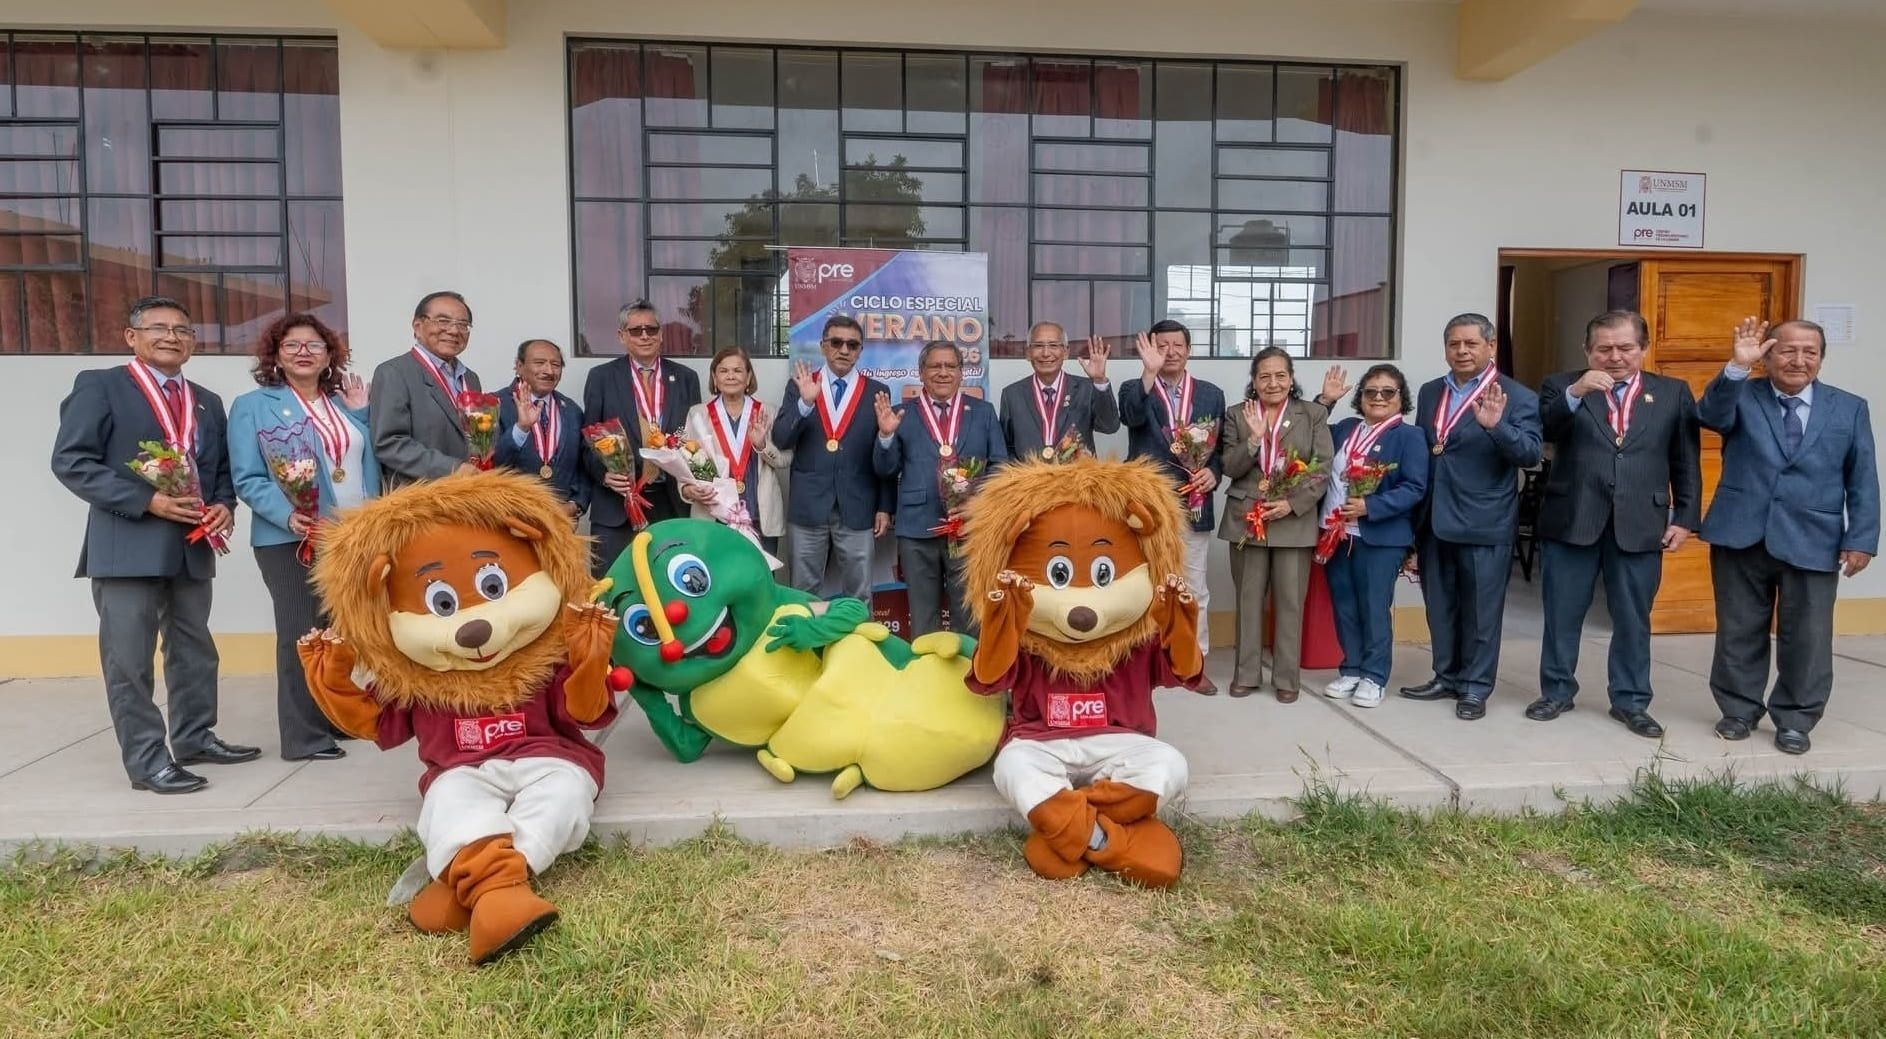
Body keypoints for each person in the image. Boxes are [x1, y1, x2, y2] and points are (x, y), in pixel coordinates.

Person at [51, 296, 255, 794]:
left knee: (194, 651)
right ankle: (147, 761)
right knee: (129, 659)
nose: (171, 336)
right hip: (127, 546)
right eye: (158, 327)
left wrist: (225, 504)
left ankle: (195, 736)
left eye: (182, 330)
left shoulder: (207, 400)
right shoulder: (101, 387)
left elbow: (220, 472)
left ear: (193, 341)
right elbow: (72, 462)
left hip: (192, 544)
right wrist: (147, 502)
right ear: (131, 336)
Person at [1697, 317, 1878, 755]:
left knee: (1809, 635)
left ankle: (1796, 719)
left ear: (1821, 358)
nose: (1798, 360)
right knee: (1739, 629)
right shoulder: (1743, 394)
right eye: (1787, 350)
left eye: (1809, 352)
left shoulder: (1849, 407)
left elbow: (1863, 476)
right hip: (1742, 533)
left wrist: (1862, 538)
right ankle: (1738, 710)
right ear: (1768, 355)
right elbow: (1709, 416)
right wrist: (1736, 367)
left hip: (1814, 537)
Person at [1531, 311, 1702, 738]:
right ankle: (1556, 691)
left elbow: (1686, 460)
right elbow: (1544, 429)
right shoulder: (1561, 385)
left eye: (1625, 347)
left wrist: (1684, 518)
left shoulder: (1673, 393)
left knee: (1632, 616)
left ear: (1643, 349)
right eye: (1604, 348)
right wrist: (1575, 393)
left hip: (1641, 521)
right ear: (1588, 351)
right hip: (1573, 517)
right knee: (1562, 613)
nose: (1615, 357)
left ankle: (1630, 701)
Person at [227, 312, 380, 762]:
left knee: (339, 633)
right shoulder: (254, 405)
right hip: (291, 538)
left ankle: (335, 716)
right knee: (301, 633)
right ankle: (302, 736)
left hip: (351, 536)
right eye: (292, 344)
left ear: (329, 354)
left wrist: (362, 413)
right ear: (275, 354)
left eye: (314, 344)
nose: (303, 351)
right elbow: (248, 477)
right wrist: (288, 515)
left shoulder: (341, 402)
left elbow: (358, 460)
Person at [1401, 312, 1542, 720]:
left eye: (1470, 344)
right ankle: (1446, 676)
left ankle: (1476, 687)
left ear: (1491, 346)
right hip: (1433, 520)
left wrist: (1498, 428)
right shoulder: (1430, 393)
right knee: (1440, 606)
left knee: (1481, 612)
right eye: (1453, 344)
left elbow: (1530, 455)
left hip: (1484, 521)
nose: (1461, 351)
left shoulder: (1518, 396)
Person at [1217, 347, 1332, 702]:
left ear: (1291, 378)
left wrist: (1292, 504)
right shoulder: (1238, 414)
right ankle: (1247, 675)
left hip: (1292, 521)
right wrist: (1253, 439)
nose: (1273, 382)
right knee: (1248, 600)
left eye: (1280, 375)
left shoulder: (1311, 414)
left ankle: (1286, 679)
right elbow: (1229, 468)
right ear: (1253, 381)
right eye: (1264, 376)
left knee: (1290, 602)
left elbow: (1322, 466)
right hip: (1247, 520)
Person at [1119, 319, 1225, 692]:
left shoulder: (1211, 394)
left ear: (1189, 349)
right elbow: (1130, 417)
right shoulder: (1134, 388)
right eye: (1161, 345)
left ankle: (1193, 663)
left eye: (1177, 344)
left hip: (1194, 502)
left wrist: (1213, 472)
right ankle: (1144, 666)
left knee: (1193, 586)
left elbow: (1220, 450)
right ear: (1150, 349)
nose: (1170, 351)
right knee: (1145, 585)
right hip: (1148, 505)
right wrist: (1148, 373)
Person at [875, 341, 1009, 636]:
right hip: (917, 528)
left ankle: (969, 676)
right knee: (923, 615)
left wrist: (976, 503)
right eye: (935, 366)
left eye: (951, 366)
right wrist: (885, 436)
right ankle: (927, 675)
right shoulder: (899, 414)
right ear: (921, 373)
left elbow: (999, 466)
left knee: (969, 613)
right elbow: (885, 469)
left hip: (969, 529)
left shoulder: (984, 412)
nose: (943, 373)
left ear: (962, 373)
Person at [1323, 365, 1430, 708]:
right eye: (1371, 391)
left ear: (1401, 398)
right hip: (1336, 533)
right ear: (1360, 398)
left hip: (1380, 535)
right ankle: (1351, 668)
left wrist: (1371, 505)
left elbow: (1415, 487)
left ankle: (1374, 675)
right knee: (1344, 606)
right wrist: (1325, 400)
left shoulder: (1409, 436)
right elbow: (1307, 432)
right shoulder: (1344, 429)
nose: (1379, 397)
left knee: (1373, 606)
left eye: (1388, 391)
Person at [772, 314, 894, 603]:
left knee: (860, 594)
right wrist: (805, 403)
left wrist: (884, 506)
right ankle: (805, 649)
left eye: (852, 345)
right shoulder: (801, 385)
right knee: (802, 592)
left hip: (858, 507)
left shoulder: (878, 392)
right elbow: (780, 439)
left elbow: (886, 456)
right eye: (836, 342)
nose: (844, 350)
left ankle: (858, 648)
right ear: (823, 346)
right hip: (809, 507)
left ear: (860, 350)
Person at [582, 300, 702, 575]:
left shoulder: (685, 378)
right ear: (621, 336)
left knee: (670, 585)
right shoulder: (601, 377)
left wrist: (696, 476)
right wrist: (604, 474)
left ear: (661, 334)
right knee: (612, 587)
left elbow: (692, 438)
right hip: (617, 503)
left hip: (670, 502)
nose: (645, 335)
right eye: (636, 331)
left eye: (651, 329)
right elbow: (587, 442)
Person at [369, 290, 484, 490]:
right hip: (420, 502)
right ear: (418, 326)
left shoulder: (470, 378)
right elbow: (389, 443)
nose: (454, 331)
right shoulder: (394, 372)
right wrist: (452, 469)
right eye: (443, 321)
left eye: (463, 325)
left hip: (468, 497)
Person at [681, 346, 788, 557]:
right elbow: (684, 463)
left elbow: (785, 459)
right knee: (716, 583)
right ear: (714, 376)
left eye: (738, 371)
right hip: (713, 515)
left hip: (759, 515)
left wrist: (762, 446)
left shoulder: (768, 412)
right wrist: (686, 489)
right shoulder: (697, 414)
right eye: (723, 370)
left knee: (759, 581)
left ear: (748, 377)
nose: (731, 376)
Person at [494, 338, 590, 524]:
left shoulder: (572, 410)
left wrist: (575, 504)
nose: (548, 371)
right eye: (539, 363)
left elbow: (584, 465)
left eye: (556, 364)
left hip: (561, 523)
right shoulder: (494, 404)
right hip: (510, 521)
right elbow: (491, 464)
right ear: (519, 366)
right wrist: (521, 428)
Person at [998, 322, 1119, 459]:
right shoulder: (1012, 394)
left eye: (1053, 345)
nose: (1046, 353)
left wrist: (1099, 381)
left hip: (1076, 478)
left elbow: (1110, 427)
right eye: (1038, 346)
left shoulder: (1087, 389)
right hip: (1031, 479)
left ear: (1066, 352)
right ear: (1028, 353)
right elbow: (1004, 447)